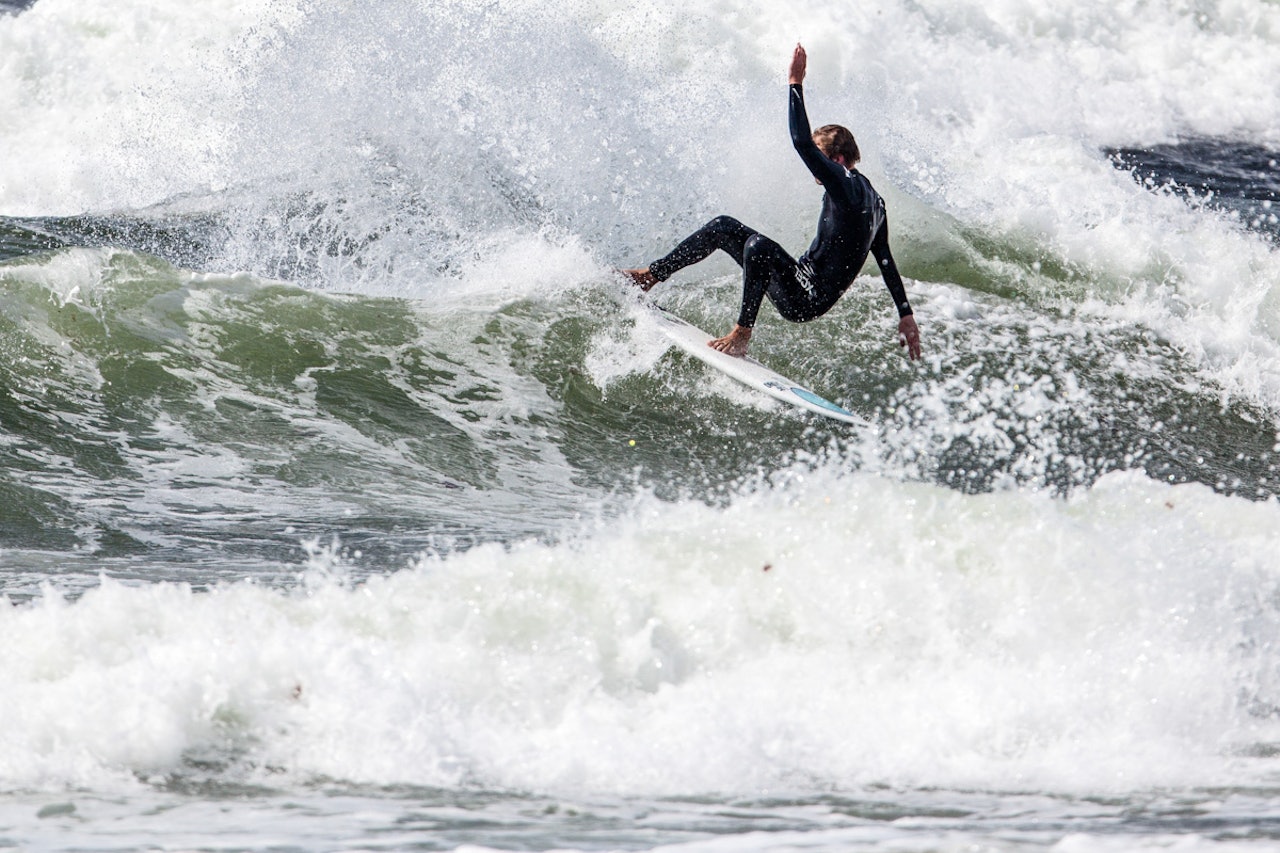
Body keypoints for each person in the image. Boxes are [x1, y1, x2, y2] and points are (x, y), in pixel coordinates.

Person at [621, 44, 921, 361]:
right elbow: (885, 259)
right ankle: (648, 277)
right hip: (799, 279)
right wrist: (906, 313)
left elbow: (801, 142)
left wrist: (795, 81)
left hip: (807, 299)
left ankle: (741, 334)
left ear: (839, 159)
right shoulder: (875, 203)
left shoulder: (845, 186)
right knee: (723, 226)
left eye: (821, 161)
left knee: (759, 246)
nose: (815, 169)